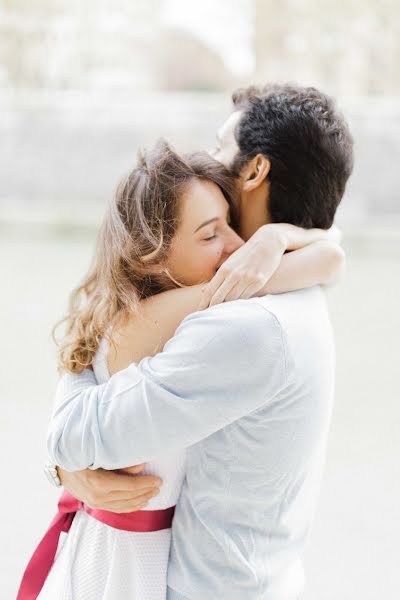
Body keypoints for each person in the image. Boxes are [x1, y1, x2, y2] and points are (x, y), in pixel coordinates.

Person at [26, 83, 353, 600]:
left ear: (255, 170)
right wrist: (280, 241)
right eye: (207, 232)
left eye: (223, 147)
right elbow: (330, 249)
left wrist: (64, 463)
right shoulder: (299, 291)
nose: (213, 158)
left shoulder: (244, 326)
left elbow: (72, 432)